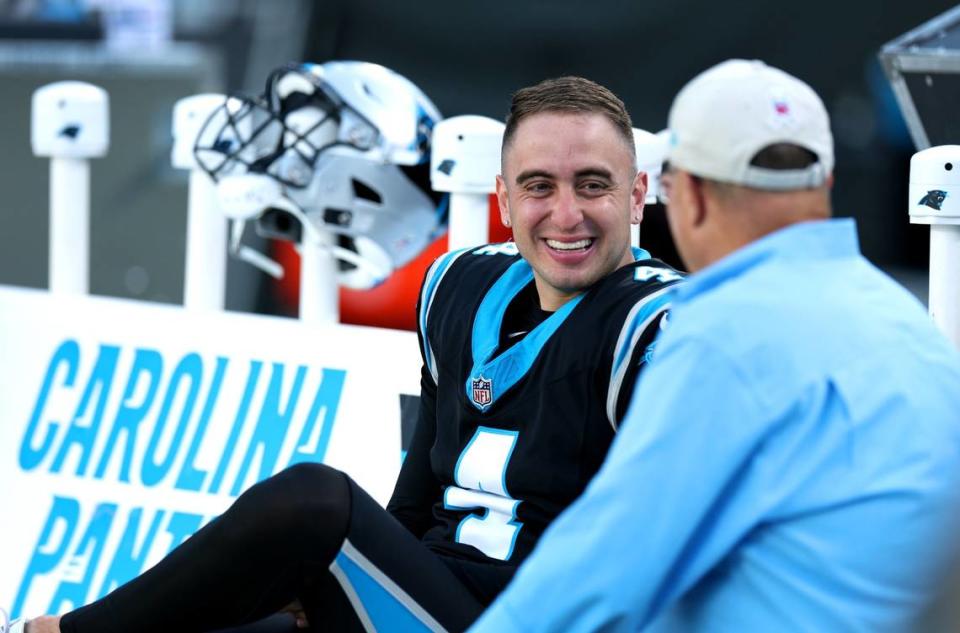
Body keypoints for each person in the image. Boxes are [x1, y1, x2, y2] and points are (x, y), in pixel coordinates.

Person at [10, 75, 682, 633]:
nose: (566, 213)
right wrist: (355, 574)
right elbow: (418, 494)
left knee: (317, 498)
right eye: (539, 186)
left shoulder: (662, 325)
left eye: (593, 184)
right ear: (503, 198)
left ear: (637, 194)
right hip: (432, 596)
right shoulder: (457, 283)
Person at [469, 59, 960, 633]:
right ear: (824, 183)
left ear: (689, 196)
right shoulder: (908, 324)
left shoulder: (727, 332)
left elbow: (598, 579)